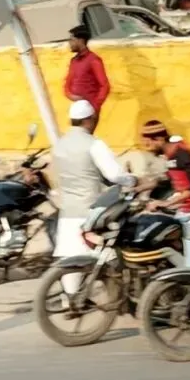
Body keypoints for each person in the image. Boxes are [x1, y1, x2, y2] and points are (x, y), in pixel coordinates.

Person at [53, 100, 136, 295]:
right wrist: (132, 179)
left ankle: (70, 300)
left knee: (70, 258)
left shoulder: (59, 145)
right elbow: (114, 175)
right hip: (92, 209)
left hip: (68, 211)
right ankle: (119, 298)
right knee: (108, 254)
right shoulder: (93, 144)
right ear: (90, 120)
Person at [141, 120, 190, 216]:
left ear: (159, 139)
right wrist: (138, 189)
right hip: (180, 202)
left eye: (149, 144)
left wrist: (166, 203)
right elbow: (168, 181)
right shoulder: (169, 155)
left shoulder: (182, 154)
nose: (149, 149)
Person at [64, 25, 110, 114]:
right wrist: (69, 94)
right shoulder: (74, 61)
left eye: (72, 40)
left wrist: (95, 106)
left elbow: (104, 85)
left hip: (89, 109)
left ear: (80, 40)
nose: (70, 43)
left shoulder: (93, 60)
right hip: (76, 107)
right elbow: (68, 81)